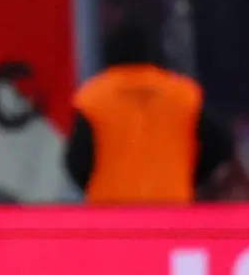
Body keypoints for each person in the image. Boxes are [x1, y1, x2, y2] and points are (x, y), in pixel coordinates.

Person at [64, 23, 233, 203]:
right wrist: (187, 176)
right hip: (172, 211)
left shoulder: (93, 97)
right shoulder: (182, 95)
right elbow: (220, 145)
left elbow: (77, 161)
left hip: (110, 212)